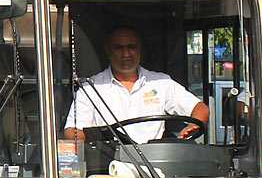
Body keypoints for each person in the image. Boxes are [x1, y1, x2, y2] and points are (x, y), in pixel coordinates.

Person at [64, 26, 210, 144]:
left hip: (154, 166)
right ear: (108, 51)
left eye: (131, 47)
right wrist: (100, 139)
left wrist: (194, 125)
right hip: (109, 167)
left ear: (140, 49)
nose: (126, 53)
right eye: (119, 48)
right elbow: (72, 132)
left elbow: (200, 108)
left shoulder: (161, 83)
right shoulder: (90, 88)